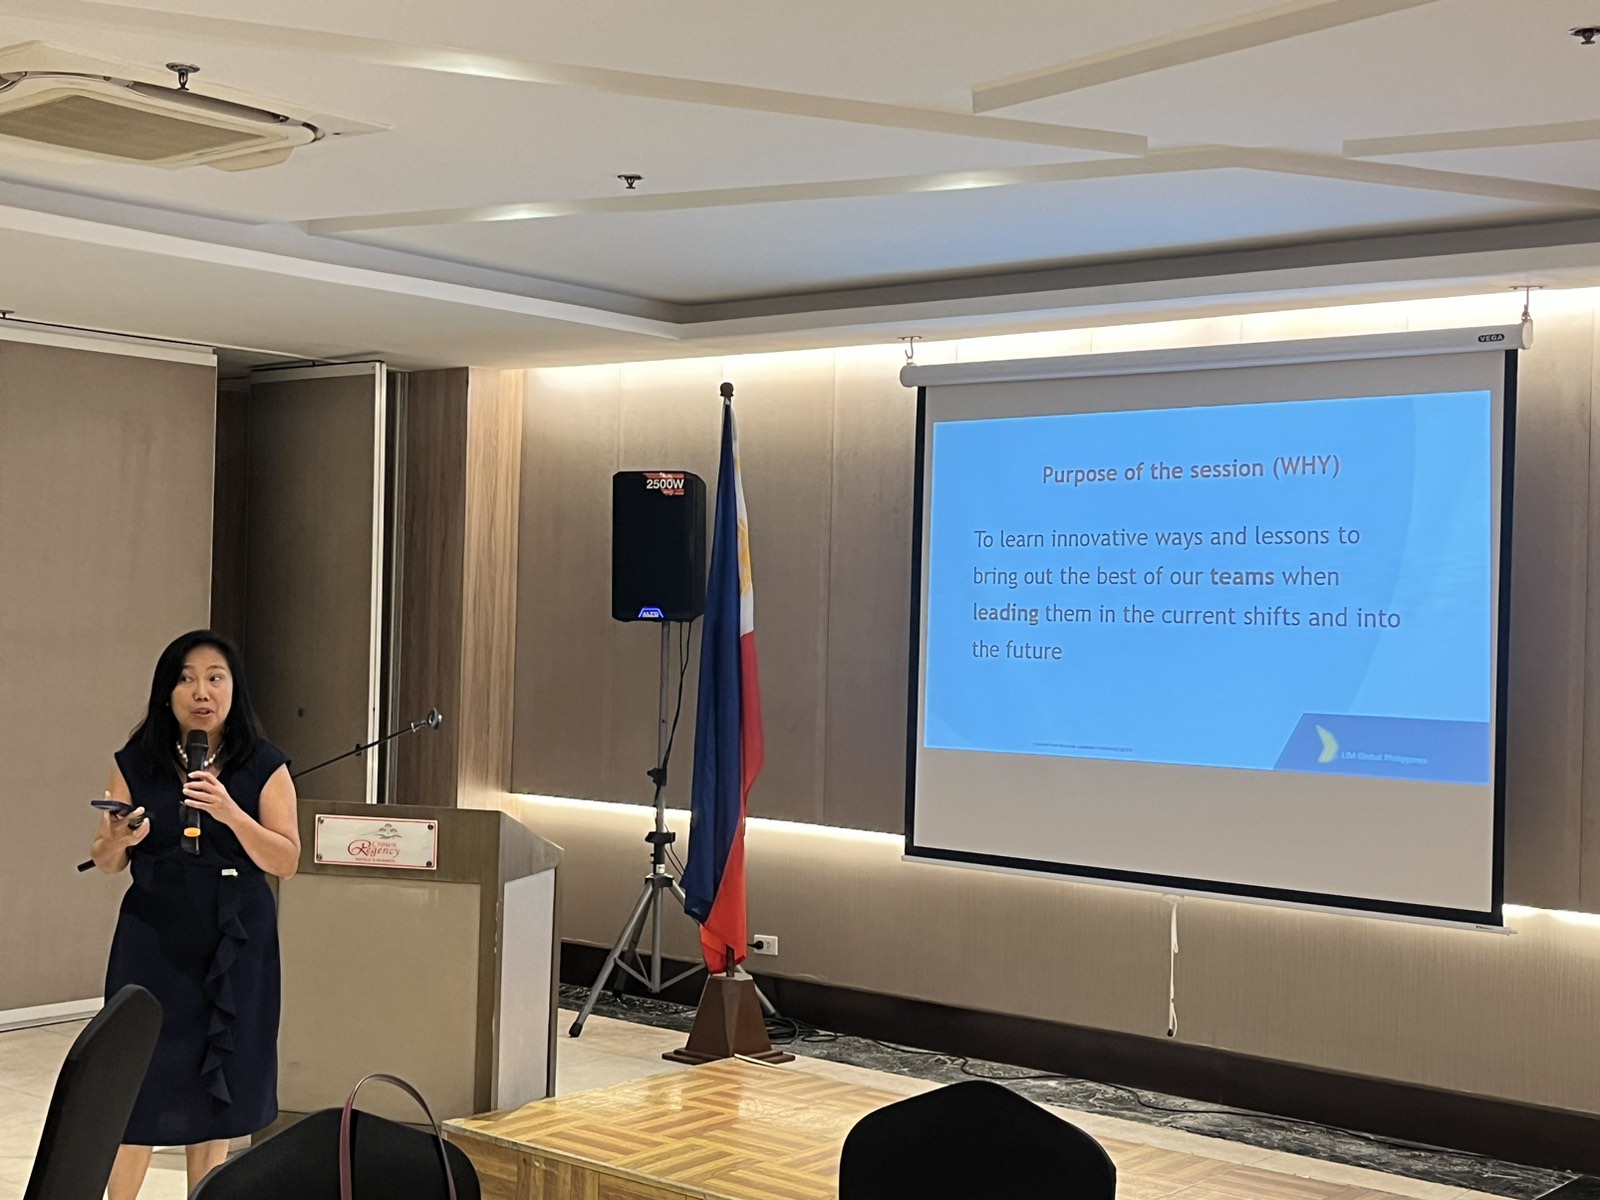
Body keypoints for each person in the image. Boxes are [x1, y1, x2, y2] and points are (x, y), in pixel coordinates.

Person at [89, 630, 300, 1198]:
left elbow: (285, 860)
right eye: (186, 679)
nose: (201, 691)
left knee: (218, 1084)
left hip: (236, 941)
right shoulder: (137, 762)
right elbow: (106, 860)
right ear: (167, 692)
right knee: (135, 1080)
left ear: (234, 689)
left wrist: (231, 813)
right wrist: (118, 838)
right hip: (153, 939)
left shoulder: (265, 765)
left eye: (214, 678)